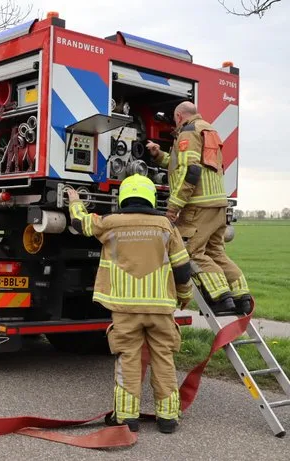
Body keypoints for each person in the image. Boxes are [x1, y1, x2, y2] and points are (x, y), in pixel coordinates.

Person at [67, 175, 193, 434]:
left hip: (125, 309)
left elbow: (80, 224)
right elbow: (182, 268)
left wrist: (75, 201)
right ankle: (168, 418)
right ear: (150, 197)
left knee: (128, 360)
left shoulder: (111, 223)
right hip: (160, 309)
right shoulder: (166, 226)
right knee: (164, 360)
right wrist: (184, 295)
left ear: (123, 197)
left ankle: (126, 418)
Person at [145, 101, 252, 315]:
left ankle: (221, 298)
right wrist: (159, 155)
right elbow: (184, 165)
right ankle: (242, 297)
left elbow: (191, 172)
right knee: (216, 253)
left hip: (198, 205)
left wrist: (174, 206)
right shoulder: (207, 130)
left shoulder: (188, 132)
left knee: (191, 252)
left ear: (178, 116)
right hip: (218, 205)